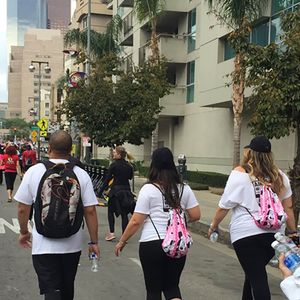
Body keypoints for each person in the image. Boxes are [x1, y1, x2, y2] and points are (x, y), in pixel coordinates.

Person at [208, 136, 298, 300]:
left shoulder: (240, 174)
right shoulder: (281, 177)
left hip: (245, 236)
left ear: (250, 153)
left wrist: (214, 225)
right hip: (273, 236)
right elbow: (288, 208)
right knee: (253, 274)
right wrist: (292, 232)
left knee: (257, 278)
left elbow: (224, 206)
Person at [15, 130, 100, 300]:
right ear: (71, 150)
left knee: (51, 290)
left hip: (43, 245)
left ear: (49, 148)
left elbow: (22, 208)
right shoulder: (81, 174)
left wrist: (24, 232)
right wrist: (94, 242)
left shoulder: (34, 171)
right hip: (72, 244)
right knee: (67, 289)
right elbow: (90, 211)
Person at [115, 147, 201, 300]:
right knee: (172, 287)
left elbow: (136, 221)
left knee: (153, 290)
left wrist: (122, 240)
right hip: (177, 243)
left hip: (152, 243)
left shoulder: (148, 189)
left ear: (153, 165)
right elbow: (196, 215)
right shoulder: (184, 188)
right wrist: (178, 218)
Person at [98, 146, 134, 241]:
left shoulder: (113, 165)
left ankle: (111, 233)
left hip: (115, 192)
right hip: (126, 191)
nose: (113, 154)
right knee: (124, 214)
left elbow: (107, 179)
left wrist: (100, 191)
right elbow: (130, 177)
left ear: (118, 154)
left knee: (110, 211)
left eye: (114, 152)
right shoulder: (129, 166)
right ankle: (124, 236)